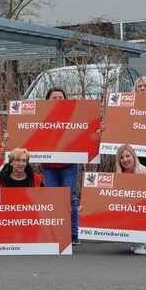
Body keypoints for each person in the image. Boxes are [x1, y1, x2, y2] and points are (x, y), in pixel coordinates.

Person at [40, 87, 81, 245]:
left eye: (61, 97)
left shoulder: (74, 115)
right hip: (49, 164)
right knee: (54, 199)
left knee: (70, 198)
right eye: (54, 97)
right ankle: (58, 233)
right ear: (47, 100)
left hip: (69, 162)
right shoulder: (40, 117)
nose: (58, 99)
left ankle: (73, 234)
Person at [114, 144, 146, 255]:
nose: (125, 160)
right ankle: (135, 239)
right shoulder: (118, 177)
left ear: (134, 157)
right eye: (122, 157)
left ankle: (145, 243)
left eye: (128, 156)